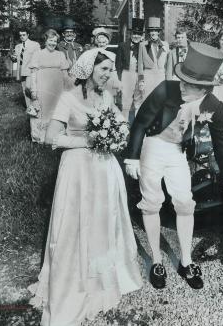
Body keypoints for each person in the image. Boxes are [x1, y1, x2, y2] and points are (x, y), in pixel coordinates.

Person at [28, 48, 142, 326]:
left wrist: (117, 135)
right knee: (76, 223)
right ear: (89, 69)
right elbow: (50, 137)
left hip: (104, 169)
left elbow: (121, 123)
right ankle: (73, 281)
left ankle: (101, 277)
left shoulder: (106, 97)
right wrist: (88, 141)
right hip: (78, 169)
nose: (109, 75)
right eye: (104, 70)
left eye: (110, 70)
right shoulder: (68, 98)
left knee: (104, 220)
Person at [124, 42, 223, 291]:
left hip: (178, 153)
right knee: (152, 202)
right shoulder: (166, 90)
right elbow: (140, 123)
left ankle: (186, 261)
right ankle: (157, 260)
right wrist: (132, 156)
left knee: (184, 202)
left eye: (190, 84)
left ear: (205, 89)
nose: (183, 86)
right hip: (153, 146)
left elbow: (222, 146)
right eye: (183, 80)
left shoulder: (214, 106)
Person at [29, 29, 70, 143]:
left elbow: (65, 74)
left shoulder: (60, 54)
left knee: (57, 111)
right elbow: (33, 74)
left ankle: (56, 137)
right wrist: (34, 90)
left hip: (58, 88)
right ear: (45, 41)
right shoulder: (38, 54)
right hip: (42, 87)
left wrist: (67, 90)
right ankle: (41, 137)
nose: (53, 43)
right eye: (50, 40)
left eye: (55, 41)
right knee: (42, 111)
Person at [116, 18, 145, 121]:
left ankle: (138, 125)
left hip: (140, 75)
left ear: (142, 36)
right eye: (134, 33)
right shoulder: (123, 46)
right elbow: (118, 65)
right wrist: (119, 80)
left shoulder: (144, 47)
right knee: (126, 101)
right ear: (130, 34)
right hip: (127, 75)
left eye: (139, 33)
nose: (136, 36)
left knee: (139, 100)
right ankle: (123, 126)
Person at [138, 17, 169, 104]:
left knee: (160, 100)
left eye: (155, 30)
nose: (153, 33)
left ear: (158, 32)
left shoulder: (165, 44)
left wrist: (168, 78)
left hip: (161, 75)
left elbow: (168, 63)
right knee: (147, 99)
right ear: (148, 33)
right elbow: (140, 64)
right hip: (148, 75)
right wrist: (141, 80)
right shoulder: (143, 45)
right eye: (151, 31)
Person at [10, 28, 40, 107]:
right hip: (21, 71)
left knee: (29, 88)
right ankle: (30, 108)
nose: (22, 37)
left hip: (31, 70)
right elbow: (16, 59)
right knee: (24, 90)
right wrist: (13, 58)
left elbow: (38, 58)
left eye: (24, 35)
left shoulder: (35, 44)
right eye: (20, 35)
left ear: (28, 35)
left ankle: (36, 106)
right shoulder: (18, 47)